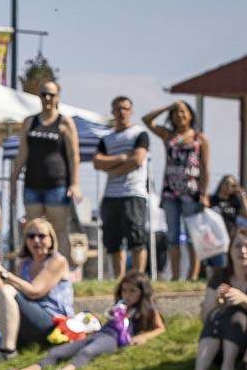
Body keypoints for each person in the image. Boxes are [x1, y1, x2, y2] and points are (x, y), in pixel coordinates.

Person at [0, 271, 165, 370]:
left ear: (142, 293)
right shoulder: (119, 307)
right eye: (124, 291)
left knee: (88, 352)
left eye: (132, 291)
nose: (127, 295)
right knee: (57, 352)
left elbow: (160, 328)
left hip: (112, 339)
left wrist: (145, 337)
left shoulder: (147, 310)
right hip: (99, 334)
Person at [0, 217, 73, 362]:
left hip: (52, 323)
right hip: (26, 320)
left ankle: (8, 351)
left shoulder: (57, 261)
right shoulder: (24, 264)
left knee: (4, 291)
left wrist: (3, 273)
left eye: (41, 236)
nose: (36, 240)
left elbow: (35, 292)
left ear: (51, 239)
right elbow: (5, 297)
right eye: (31, 236)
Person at [9, 79, 82, 247]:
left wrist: (75, 184)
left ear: (57, 97)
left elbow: (73, 155)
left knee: (58, 230)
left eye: (51, 95)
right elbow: (22, 154)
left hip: (57, 184)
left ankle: (61, 270)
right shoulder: (30, 122)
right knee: (33, 230)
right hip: (32, 183)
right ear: (39, 97)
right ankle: (32, 269)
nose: (47, 98)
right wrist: (13, 181)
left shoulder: (65, 122)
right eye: (44, 94)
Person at [144, 100, 210, 281]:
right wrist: (167, 107)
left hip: (192, 192)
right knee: (172, 236)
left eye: (183, 111)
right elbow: (147, 120)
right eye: (176, 112)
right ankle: (175, 275)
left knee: (192, 236)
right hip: (170, 192)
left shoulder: (199, 138)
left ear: (190, 115)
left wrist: (204, 193)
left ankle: (193, 275)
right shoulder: (168, 135)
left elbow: (205, 168)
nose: (180, 115)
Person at [93, 96, 151, 279]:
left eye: (125, 108)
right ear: (112, 112)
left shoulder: (139, 134)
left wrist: (112, 166)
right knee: (113, 240)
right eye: (118, 109)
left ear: (131, 111)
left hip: (134, 193)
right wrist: (121, 159)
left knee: (137, 238)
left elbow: (137, 160)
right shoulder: (106, 138)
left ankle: (138, 279)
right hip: (111, 195)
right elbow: (97, 162)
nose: (121, 112)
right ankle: (119, 279)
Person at [190, 228, 247, 370]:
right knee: (216, 316)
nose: (242, 251)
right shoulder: (219, 275)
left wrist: (243, 300)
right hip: (219, 343)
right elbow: (203, 317)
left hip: (243, 345)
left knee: (237, 316)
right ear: (229, 250)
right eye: (237, 246)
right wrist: (216, 302)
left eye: (246, 246)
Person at [209, 175, 247, 272]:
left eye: (233, 185)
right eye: (226, 183)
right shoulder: (213, 199)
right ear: (221, 184)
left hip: (231, 236)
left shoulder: (234, 201)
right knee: (220, 264)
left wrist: (242, 195)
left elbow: (245, 214)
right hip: (216, 237)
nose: (229, 187)